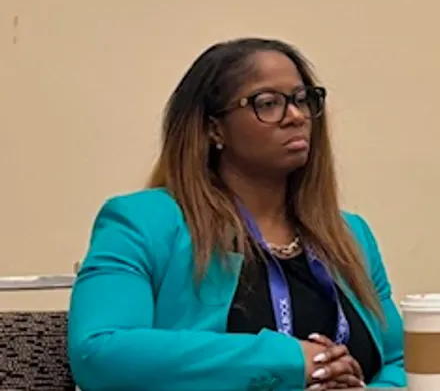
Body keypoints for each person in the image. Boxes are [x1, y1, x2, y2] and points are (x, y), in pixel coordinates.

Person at [67, 38, 406, 391]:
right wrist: (289, 359)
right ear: (214, 128)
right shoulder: (143, 221)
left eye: (303, 99)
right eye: (269, 103)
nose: (296, 116)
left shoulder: (349, 235)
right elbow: (99, 352)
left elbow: (401, 362)